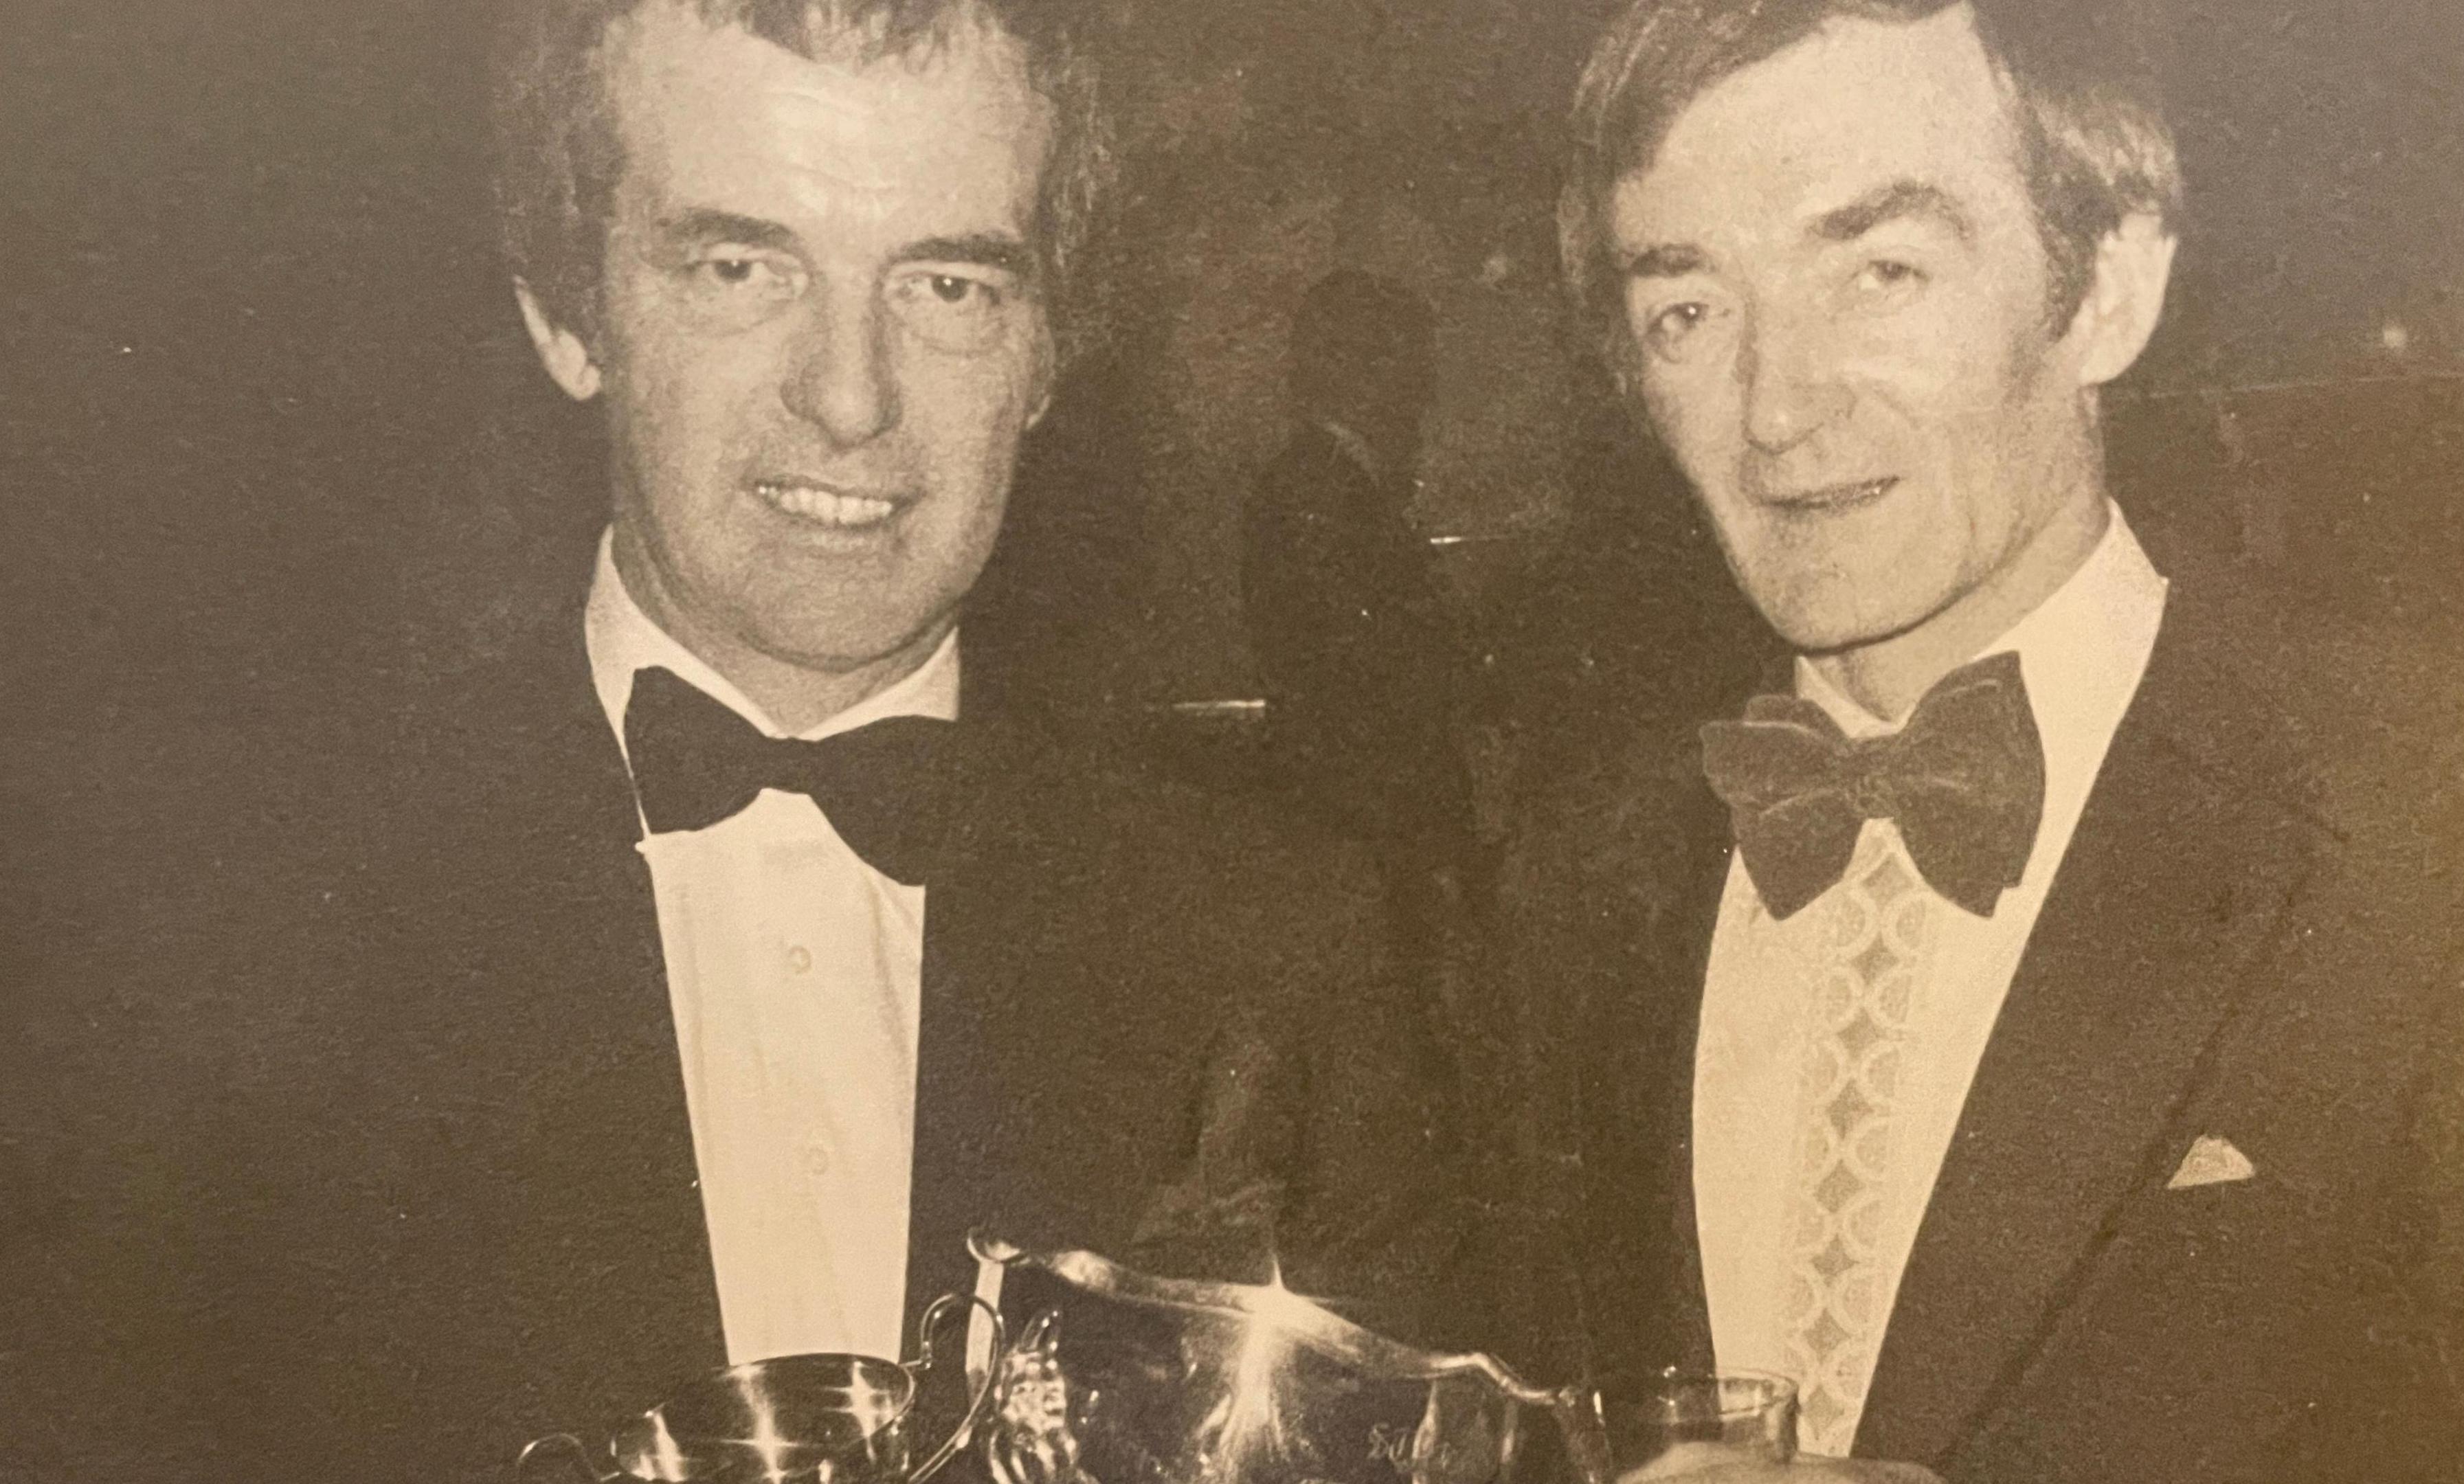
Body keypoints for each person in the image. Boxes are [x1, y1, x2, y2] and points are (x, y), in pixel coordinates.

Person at [0, 2, 1447, 1479]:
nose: (851, 396)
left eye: (948, 286)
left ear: (1047, 359)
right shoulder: (216, 931)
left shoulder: (1284, 936)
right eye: (741, 268)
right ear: (570, 316)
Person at [1477, 0, 2464, 1479]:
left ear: (2106, 291)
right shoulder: (1578, 879)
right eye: (1690, 312)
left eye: (1880, 271)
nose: (1779, 406)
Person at [1244, 269, 1477, 900]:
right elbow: (1359, 673)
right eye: (1411, 366)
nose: (1424, 394)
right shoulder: (1319, 495)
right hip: (1360, 825)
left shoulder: (1331, 486)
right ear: (1360, 371)